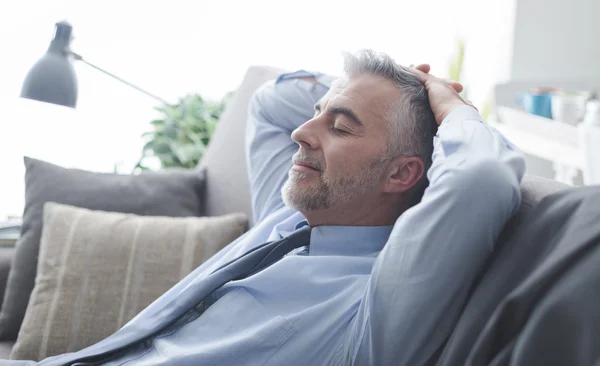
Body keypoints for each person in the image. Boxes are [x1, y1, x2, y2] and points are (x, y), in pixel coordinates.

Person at [6, 50, 524, 366]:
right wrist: (381, 88)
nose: (302, 133)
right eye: (318, 115)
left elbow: (480, 178)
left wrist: (446, 105)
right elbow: (270, 104)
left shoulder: (377, 302)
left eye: (340, 127)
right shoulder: (293, 215)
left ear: (402, 174)